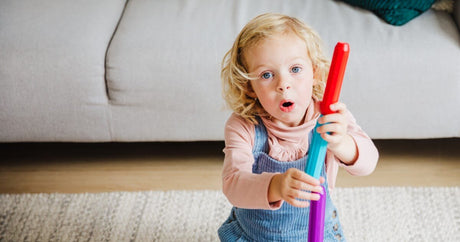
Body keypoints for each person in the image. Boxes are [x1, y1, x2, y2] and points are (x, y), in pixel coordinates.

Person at [217, 13, 379, 241]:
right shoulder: (244, 126)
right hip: (256, 235)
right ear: (249, 87)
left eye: (295, 69)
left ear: (316, 73)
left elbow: (368, 164)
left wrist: (343, 143)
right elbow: (233, 185)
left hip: (317, 233)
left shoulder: (330, 116)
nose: (283, 84)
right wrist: (276, 185)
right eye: (266, 75)